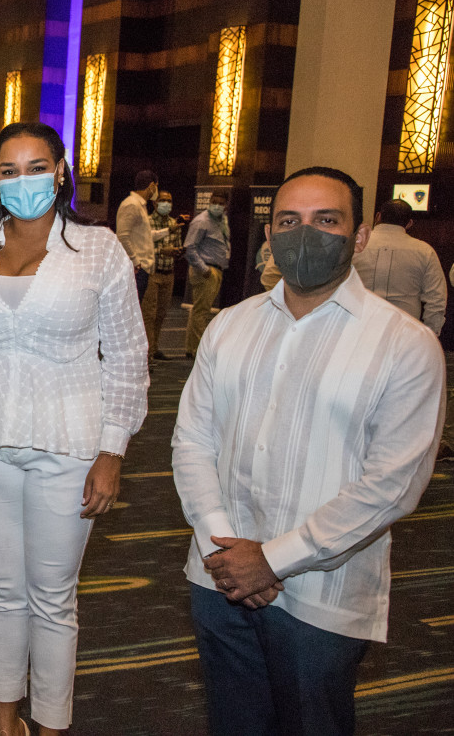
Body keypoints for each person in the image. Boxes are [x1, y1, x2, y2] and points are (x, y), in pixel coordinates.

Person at [172, 166, 445, 736]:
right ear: (269, 233)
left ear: (359, 236)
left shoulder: (405, 345)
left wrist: (272, 560)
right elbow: (192, 441)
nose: (305, 234)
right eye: (289, 221)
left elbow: (393, 485)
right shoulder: (230, 326)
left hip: (323, 593)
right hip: (217, 578)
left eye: (326, 220)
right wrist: (225, 549)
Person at [0, 122, 148, 736]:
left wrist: (113, 450)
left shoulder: (98, 248)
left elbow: (127, 356)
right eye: (9, 170)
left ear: (60, 172)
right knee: (1, 590)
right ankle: (6, 726)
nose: (22, 180)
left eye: (36, 167)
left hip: (70, 445)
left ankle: (50, 727)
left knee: (52, 597)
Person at [352, 198, 446, 335]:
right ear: (409, 223)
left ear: (378, 216)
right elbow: (436, 300)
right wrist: (431, 335)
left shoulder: (354, 245)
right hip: (405, 332)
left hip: (358, 327)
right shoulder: (425, 251)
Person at [183, 191, 231, 357]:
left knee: (203, 310)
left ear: (226, 205)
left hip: (217, 268)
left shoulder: (222, 220)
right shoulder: (201, 221)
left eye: (221, 203)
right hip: (205, 270)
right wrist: (204, 269)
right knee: (201, 311)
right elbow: (189, 247)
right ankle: (196, 349)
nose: (217, 206)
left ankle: (193, 348)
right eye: (214, 202)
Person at [141, 189, 185, 360]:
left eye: (169, 201)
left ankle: (154, 347)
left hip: (169, 273)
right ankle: (147, 352)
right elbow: (143, 248)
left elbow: (177, 245)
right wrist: (162, 251)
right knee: (149, 315)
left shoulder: (175, 223)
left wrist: (178, 251)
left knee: (161, 314)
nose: (166, 204)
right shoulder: (147, 221)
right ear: (154, 203)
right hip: (152, 273)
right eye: (163, 200)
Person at [115, 169, 169, 299]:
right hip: (136, 269)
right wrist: (135, 261)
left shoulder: (140, 205)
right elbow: (122, 236)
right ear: (151, 186)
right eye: (156, 186)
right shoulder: (132, 204)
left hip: (141, 268)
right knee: (131, 306)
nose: (156, 191)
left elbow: (145, 235)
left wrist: (168, 230)